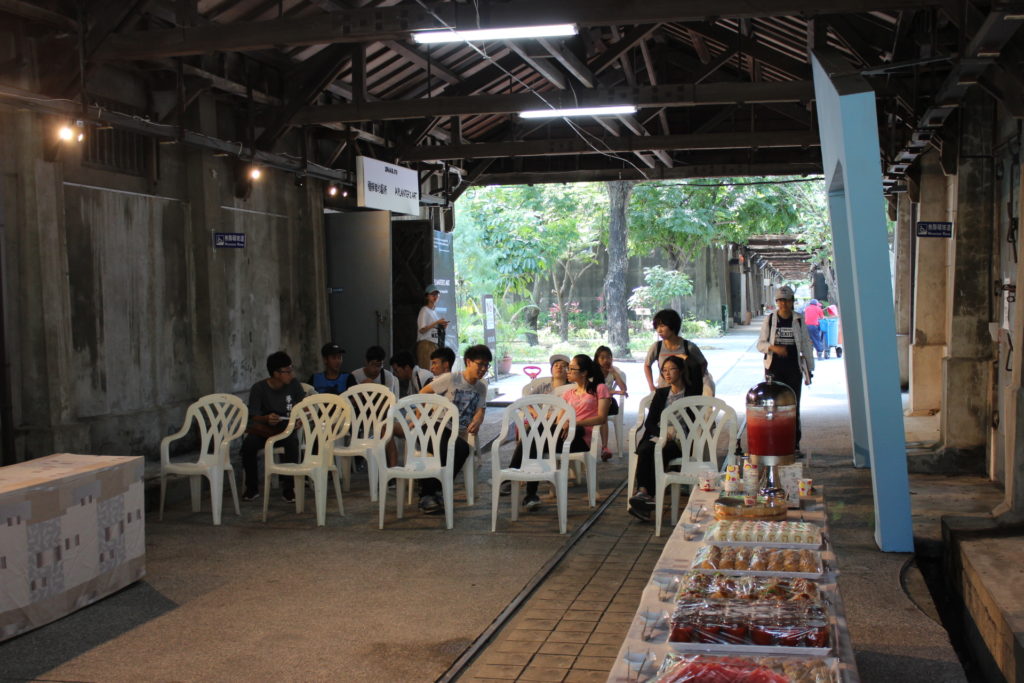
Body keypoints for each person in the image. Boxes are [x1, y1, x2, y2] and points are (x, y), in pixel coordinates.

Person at [509, 354, 610, 511]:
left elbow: (601, 418)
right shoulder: (568, 394)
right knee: (535, 437)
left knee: (534, 435)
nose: (567, 371)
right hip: (563, 435)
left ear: (583, 372)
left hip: (581, 436)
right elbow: (559, 420)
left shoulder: (599, 388)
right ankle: (530, 494)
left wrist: (574, 423)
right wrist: (558, 423)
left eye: (571, 368)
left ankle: (514, 475)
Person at [416, 344, 491, 514]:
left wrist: (479, 418)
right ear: (468, 362)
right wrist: (422, 414)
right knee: (454, 448)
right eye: (480, 364)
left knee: (461, 448)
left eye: (486, 365)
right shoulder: (451, 379)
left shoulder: (481, 387)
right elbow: (423, 393)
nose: (483, 369)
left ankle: (432, 491)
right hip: (435, 426)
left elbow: (481, 408)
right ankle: (428, 494)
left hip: (458, 433)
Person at [627, 355, 691, 522]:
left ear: (682, 370)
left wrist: (671, 435)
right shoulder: (661, 394)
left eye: (671, 369)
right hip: (659, 436)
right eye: (663, 370)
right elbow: (649, 422)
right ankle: (644, 493)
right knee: (646, 449)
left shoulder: (691, 393)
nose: (667, 373)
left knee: (657, 452)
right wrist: (662, 433)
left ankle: (645, 494)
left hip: (679, 440)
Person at [239, 351, 307, 503]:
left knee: (292, 443)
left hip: (286, 429)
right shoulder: (259, 388)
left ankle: (289, 488)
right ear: (276, 373)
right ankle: (252, 487)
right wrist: (267, 418)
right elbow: (254, 415)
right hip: (265, 431)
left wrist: (300, 419)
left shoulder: (294, 385)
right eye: (287, 371)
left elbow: (304, 407)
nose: (291, 374)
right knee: (249, 445)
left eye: (291, 370)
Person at [757, 284, 814, 452]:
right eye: (780, 301)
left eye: (787, 301)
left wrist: (809, 368)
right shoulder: (770, 320)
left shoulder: (798, 319)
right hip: (774, 370)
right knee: (774, 406)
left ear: (792, 302)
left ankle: (794, 444)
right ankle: (775, 441)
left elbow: (805, 344)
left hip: (793, 370)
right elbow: (760, 344)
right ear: (776, 302)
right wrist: (774, 348)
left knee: (793, 406)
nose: (783, 304)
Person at [643, 309, 712, 396]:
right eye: (656, 327)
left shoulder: (689, 347)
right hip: (664, 390)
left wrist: (693, 381)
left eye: (662, 326)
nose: (659, 330)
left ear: (673, 326)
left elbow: (703, 364)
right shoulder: (657, 347)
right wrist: (651, 386)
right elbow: (647, 365)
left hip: (686, 392)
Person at [595, 345, 628, 461]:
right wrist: (614, 391)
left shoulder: (613, 371)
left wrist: (614, 373)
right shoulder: (593, 371)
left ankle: (604, 447)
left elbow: (624, 388)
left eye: (609, 357)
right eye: (602, 357)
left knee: (603, 412)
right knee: (601, 410)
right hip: (594, 401)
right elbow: (594, 391)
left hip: (608, 403)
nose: (606, 360)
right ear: (597, 359)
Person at [416, 284, 449, 369]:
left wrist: (442, 326)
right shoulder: (424, 310)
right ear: (427, 296)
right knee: (427, 370)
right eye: (432, 294)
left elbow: (434, 328)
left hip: (434, 344)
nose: (435, 297)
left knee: (433, 371)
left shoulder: (434, 312)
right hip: (426, 344)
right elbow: (422, 330)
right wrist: (436, 322)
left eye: (437, 294)